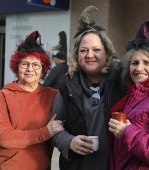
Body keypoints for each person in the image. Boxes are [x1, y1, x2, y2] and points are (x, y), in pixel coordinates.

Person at [51, 6, 126, 170]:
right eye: (83, 50)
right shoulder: (67, 87)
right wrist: (69, 141)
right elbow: (53, 129)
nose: (89, 55)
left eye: (96, 50)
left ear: (107, 53)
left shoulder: (122, 84)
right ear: (77, 55)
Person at [108, 20, 149, 169]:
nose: (139, 68)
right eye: (134, 63)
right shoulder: (132, 96)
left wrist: (128, 132)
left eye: (147, 63)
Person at [0, 31, 64, 170]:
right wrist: (45, 132)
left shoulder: (54, 96)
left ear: (43, 70)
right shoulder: (3, 96)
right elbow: (4, 137)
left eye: (36, 65)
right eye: (24, 64)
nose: (30, 69)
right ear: (16, 67)